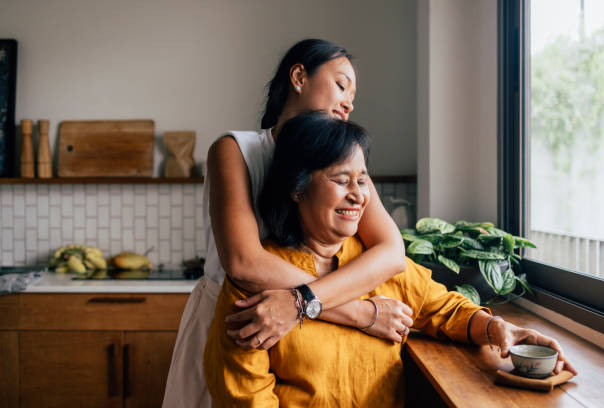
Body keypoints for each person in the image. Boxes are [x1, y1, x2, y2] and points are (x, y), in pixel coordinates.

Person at [203, 112, 578, 407]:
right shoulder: (256, 285)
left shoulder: (375, 264)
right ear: (297, 188)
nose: (357, 196)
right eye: (340, 179)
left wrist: (499, 330)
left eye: (362, 180)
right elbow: (245, 396)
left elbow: (445, 310)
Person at [163, 39, 411, 408]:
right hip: (234, 329)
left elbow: (392, 253)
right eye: (342, 85)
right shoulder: (233, 150)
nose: (349, 102)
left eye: (353, 94)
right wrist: (359, 312)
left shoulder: (345, 163)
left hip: (307, 338)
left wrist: (299, 305)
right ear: (298, 76)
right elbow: (244, 263)